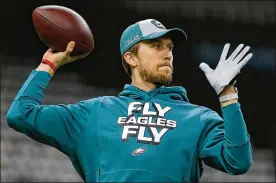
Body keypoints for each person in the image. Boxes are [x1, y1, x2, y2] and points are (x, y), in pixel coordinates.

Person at [6, 19, 253, 182]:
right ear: (131, 58)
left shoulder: (198, 117)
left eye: (169, 48)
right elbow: (21, 114)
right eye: (156, 46)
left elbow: (238, 161)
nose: (167, 54)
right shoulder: (94, 112)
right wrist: (48, 65)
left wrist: (227, 95)